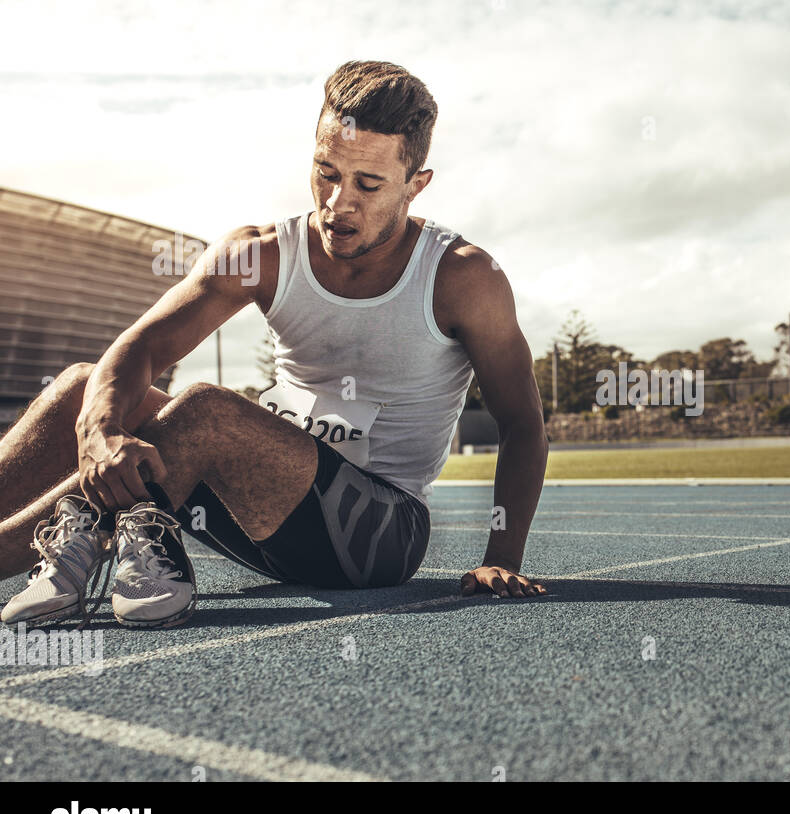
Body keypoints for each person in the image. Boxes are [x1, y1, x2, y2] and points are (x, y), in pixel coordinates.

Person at [0, 60, 549, 629]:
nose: (338, 202)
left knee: (207, 410)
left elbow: (522, 423)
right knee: (82, 389)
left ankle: (72, 540)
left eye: (367, 184)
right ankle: (93, 529)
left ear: (416, 185)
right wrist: (99, 429)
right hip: (258, 506)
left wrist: (501, 558)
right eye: (326, 171)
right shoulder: (260, 252)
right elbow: (141, 347)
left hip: (377, 534)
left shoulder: (463, 278)